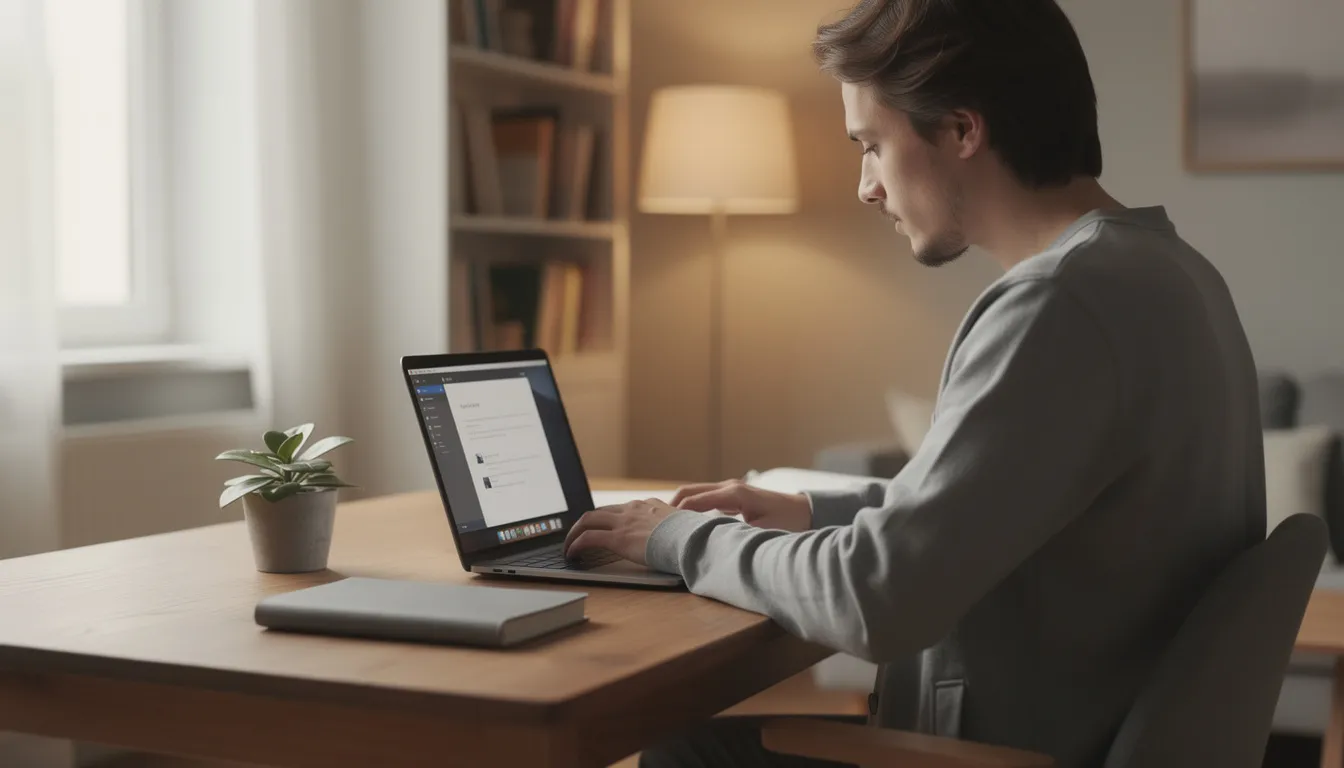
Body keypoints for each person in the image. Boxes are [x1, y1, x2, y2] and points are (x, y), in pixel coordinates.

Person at [563, 0, 1265, 765]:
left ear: (962, 130)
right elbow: (1024, 505)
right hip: (1078, 731)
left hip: (1003, 754)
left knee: (679, 748)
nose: (866, 186)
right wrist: (808, 510)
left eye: (871, 145)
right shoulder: (1171, 274)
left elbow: (876, 601)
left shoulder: (1060, 303)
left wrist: (676, 539)